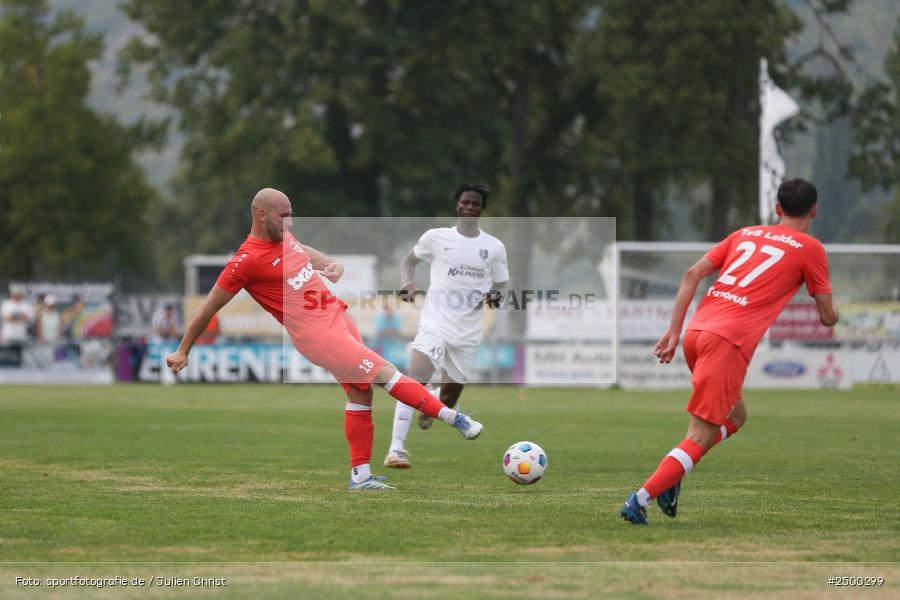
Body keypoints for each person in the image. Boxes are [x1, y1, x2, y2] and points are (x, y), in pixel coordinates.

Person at [165, 188, 484, 491]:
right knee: (385, 373)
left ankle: (360, 478)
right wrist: (183, 350)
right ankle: (453, 417)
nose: (289, 223)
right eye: (283, 216)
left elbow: (300, 249)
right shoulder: (245, 261)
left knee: (361, 394)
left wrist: (329, 264)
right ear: (261, 215)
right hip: (318, 336)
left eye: (291, 216)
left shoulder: (283, 235)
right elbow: (208, 307)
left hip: (338, 318)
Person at [620, 178, 839, 525]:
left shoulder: (745, 234)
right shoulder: (810, 248)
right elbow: (827, 317)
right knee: (700, 435)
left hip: (698, 332)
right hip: (728, 342)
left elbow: (693, 274)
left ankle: (671, 479)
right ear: (814, 210)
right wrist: (833, 310)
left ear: (778, 209)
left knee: (737, 417)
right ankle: (639, 499)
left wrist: (674, 332)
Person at [383, 184, 508, 469]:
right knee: (415, 380)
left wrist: (496, 294)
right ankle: (396, 450)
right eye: (465, 202)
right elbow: (408, 262)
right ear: (457, 205)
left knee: (449, 397)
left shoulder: (494, 247)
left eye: (476, 204)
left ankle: (430, 407)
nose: (470, 207)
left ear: (482, 209)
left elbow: (501, 283)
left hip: (468, 330)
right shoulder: (436, 238)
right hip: (435, 322)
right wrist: (406, 282)